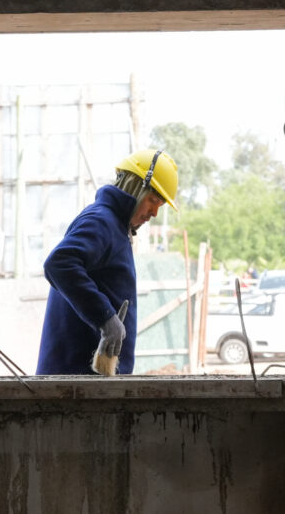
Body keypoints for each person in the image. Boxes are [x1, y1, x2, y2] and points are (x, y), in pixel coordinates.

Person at [36, 149, 179, 375]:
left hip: (86, 383)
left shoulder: (114, 227)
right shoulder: (102, 221)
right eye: (152, 201)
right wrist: (105, 318)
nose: (153, 213)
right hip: (75, 382)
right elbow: (59, 264)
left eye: (159, 206)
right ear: (135, 187)